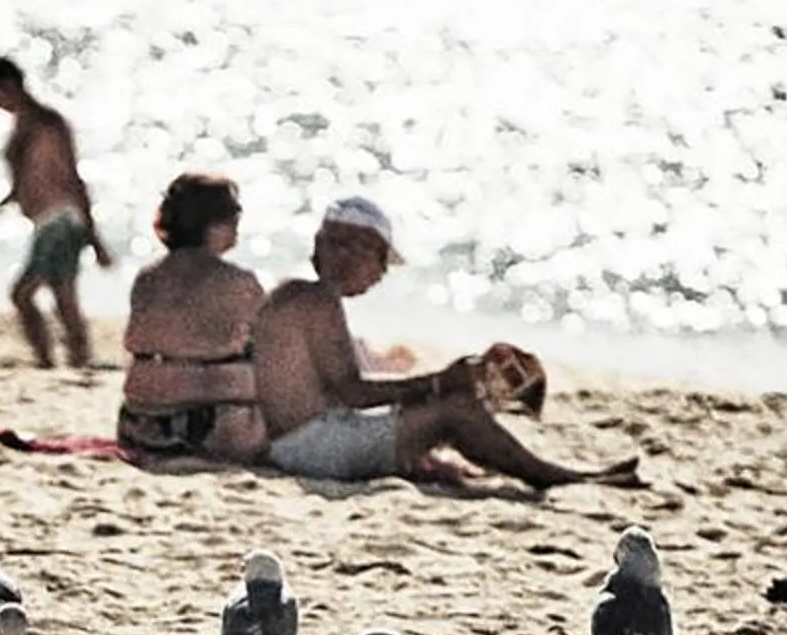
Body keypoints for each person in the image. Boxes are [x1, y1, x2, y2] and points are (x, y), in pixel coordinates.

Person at [252, 196, 638, 491]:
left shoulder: (298, 294)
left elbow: (333, 392)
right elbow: (351, 392)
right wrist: (438, 382)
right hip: (311, 448)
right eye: (382, 260)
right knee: (454, 412)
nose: (382, 274)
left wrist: (429, 389)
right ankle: (561, 479)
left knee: (441, 404)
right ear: (356, 250)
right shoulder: (318, 299)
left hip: (302, 441)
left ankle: (542, 471)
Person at [117, 172, 268, 463]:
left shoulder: (147, 278)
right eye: (232, 215)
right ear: (211, 223)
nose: (238, 224)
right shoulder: (236, 282)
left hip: (138, 425)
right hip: (213, 430)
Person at [0, 56, 112, 369]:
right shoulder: (25, 123)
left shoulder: (46, 124)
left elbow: (71, 179)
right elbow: (28, 179)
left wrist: (95, 238)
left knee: (38, 293)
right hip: (46, 220)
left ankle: (61, 360)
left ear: (7, 85)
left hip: (61, 219)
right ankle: (64, 359)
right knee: (56, 293)